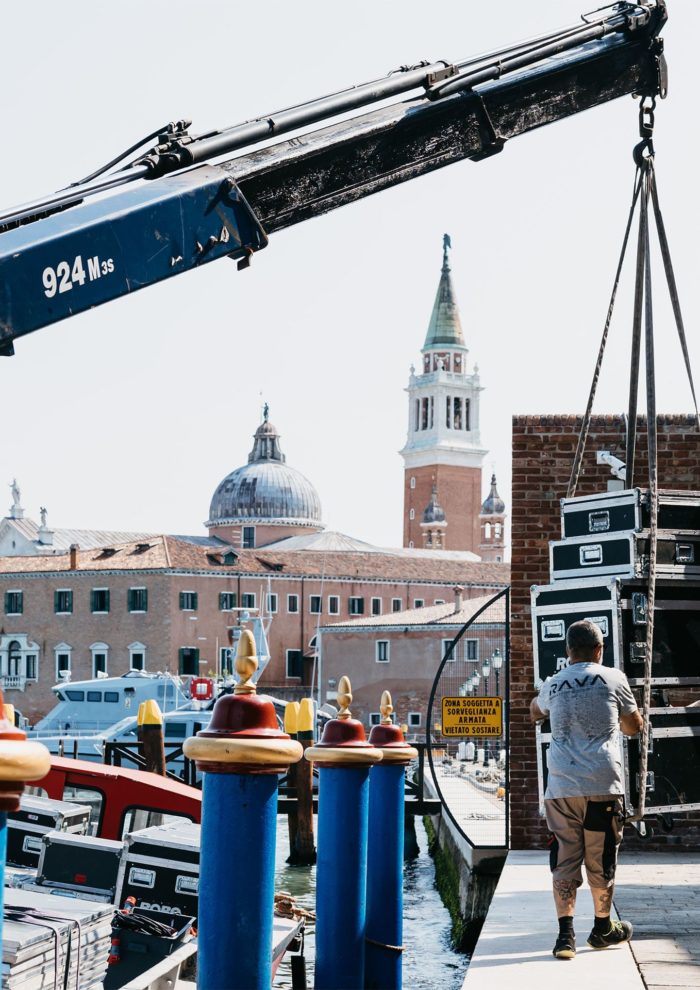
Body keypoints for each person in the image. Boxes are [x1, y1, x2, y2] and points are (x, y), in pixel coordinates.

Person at [530, 618, 643, 960]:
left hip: (562, 786)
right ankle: (602, 928)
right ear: (599, 649)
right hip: (602, 783)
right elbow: (634, 726)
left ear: (568, 652)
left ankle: (566, 938)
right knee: (601, 854)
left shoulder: (553, 683)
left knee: (565, 856)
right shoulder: (613, 678)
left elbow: (534, 712)